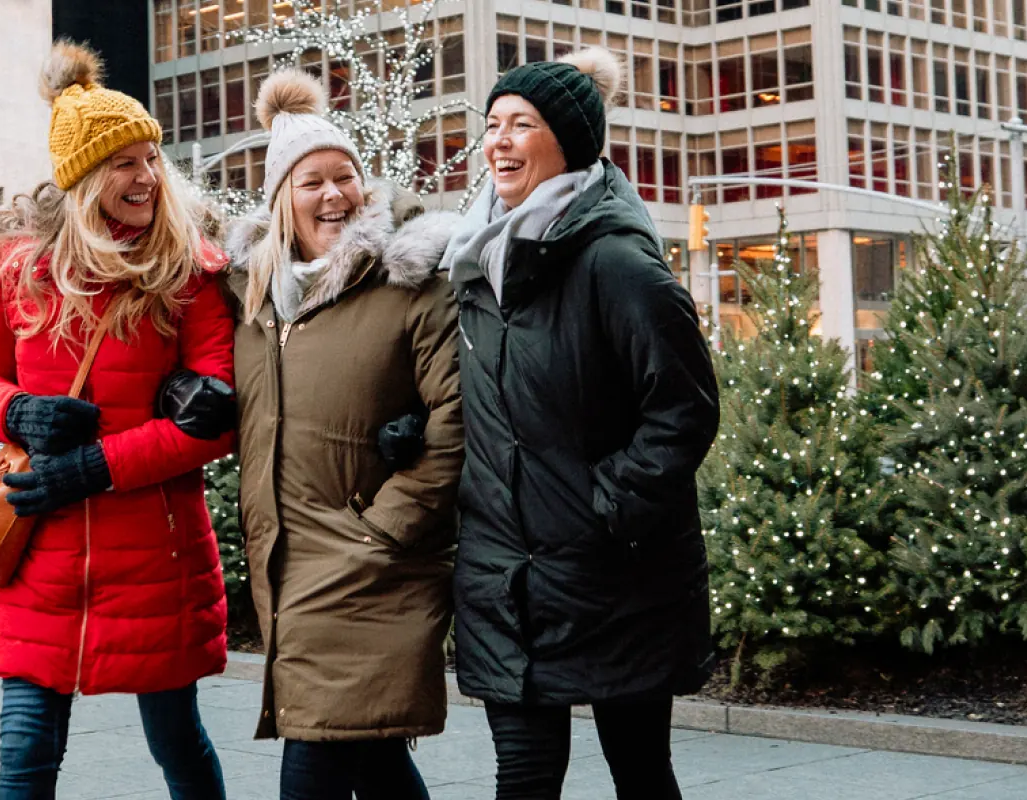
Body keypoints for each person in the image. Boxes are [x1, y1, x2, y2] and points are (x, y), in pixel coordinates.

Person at [0, 42, 238, 800]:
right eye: (124, 161)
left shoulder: (190, 273)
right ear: (82, 175)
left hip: (155, 560)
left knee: (177, 743)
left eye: (151, 158)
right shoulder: (15, 269)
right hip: (37, 553)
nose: (147, 177)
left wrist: (97, 466)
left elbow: (215, 421)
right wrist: (16, 409)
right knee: (23, 758)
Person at [438, 48, 721, 800]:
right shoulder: (475, 263)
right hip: (505, 576)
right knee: (524, 778)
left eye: (520, 124)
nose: (496, 140)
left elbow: (685, 407)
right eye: (491, 123)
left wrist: (612, 504)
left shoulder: (617, 264)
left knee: (639, 770)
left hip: (614, 574)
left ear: (568, 140)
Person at [220, 69, 465, 800]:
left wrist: (385, 527)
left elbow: (456, 419)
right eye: (311, 182)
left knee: (320, 761)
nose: (333, 195)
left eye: (345, 176)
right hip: (290, 566)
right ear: (279, 201)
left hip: (371, 563)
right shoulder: (256, 299)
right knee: (375, 757)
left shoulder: (409, 284)